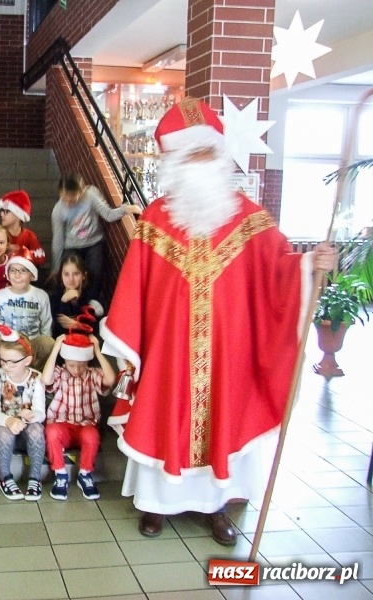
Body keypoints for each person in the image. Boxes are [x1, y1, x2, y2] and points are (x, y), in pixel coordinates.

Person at [100, 97, 338, 546]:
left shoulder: (249, 220)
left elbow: (278, 268)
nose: (199, 161)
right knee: (164, 415)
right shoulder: (154, 221)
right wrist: (131, 345)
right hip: (169, 353)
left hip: (229, 354)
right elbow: (135, 289)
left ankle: (216, 508)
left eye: (206, 152)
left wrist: (309, 264)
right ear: (175, 161)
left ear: (219, 155)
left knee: (222, 422)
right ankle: (156, 504)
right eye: (189, 154)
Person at [41, 328, 115, 501]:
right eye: (71, 365)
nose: (76, 370)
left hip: (85, 425)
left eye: (80, 366)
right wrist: (56, 348)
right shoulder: (60, 373)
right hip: (62, 424)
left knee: (91, 435)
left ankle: (85, 474)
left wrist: (97, 350)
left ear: (87, 363)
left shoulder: (92, 374)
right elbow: (46, 380)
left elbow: (110, 379)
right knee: (51, 432)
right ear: (65, 361)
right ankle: (60, 474)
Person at [50, 172, 142, 292]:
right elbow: (58, 239)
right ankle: (71, 303)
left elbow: (108, 215)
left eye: (72, 198)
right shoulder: (58, 210)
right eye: (64, 197)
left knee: (95, 272)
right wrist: (56, 267)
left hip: (94, 242)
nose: (67, 202)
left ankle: (92, 303)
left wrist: (125, 209)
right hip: (71, 245)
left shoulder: (91, 195)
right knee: (69, 272)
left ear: (81, 191)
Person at [0, 324, 46, 501]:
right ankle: (5, 477)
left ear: (27, 360)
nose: (6, 366)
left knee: (36, 430)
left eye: (12, 362)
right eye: (3, 361)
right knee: (4, 434)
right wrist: (9, 421)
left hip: (27, 429)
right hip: (3, 428)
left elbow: (41, 411)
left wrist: (33, 414)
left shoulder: (36, 378)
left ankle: (35, 478)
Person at [0, 249, 54, 371]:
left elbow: (46, 327)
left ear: (32, 275)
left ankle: (32, 374)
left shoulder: (41, 296)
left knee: (48, 343)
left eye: (23, 270)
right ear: (8, 274)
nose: (17, 275)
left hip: (31, 344)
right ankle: (7, 372)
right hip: (6, 343)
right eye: (13, 270)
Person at [48, 254, 104, 338]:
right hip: (63, 344)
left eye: (76, 274)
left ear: (84, 275)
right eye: (66, 274)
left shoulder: (89, 297)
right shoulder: (55, 297)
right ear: (61, 276)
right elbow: (62, 330)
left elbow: (94, 328)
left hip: (84, 343)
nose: (71, 279)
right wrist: (64, 301)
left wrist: (77, 325)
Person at [0, 190, 46, 268]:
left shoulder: (29, 235)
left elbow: (40, 258)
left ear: (18, 216)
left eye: (6, 211)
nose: (1, 214)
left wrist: (19, 251)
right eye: (2, 211)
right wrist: (5, 249)